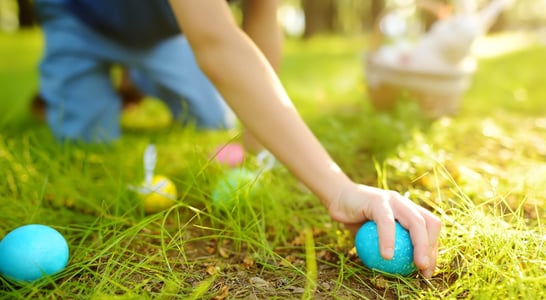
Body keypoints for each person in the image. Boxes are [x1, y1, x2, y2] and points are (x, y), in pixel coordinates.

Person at [35, 0, 441, 279]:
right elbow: (215, 45)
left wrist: (256, 146)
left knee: (210, 115)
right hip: (82, 17)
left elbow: (260, 27)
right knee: (86, 139)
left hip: (161, 33)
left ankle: (139, 77)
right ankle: (90, 80)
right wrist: (338, 189)